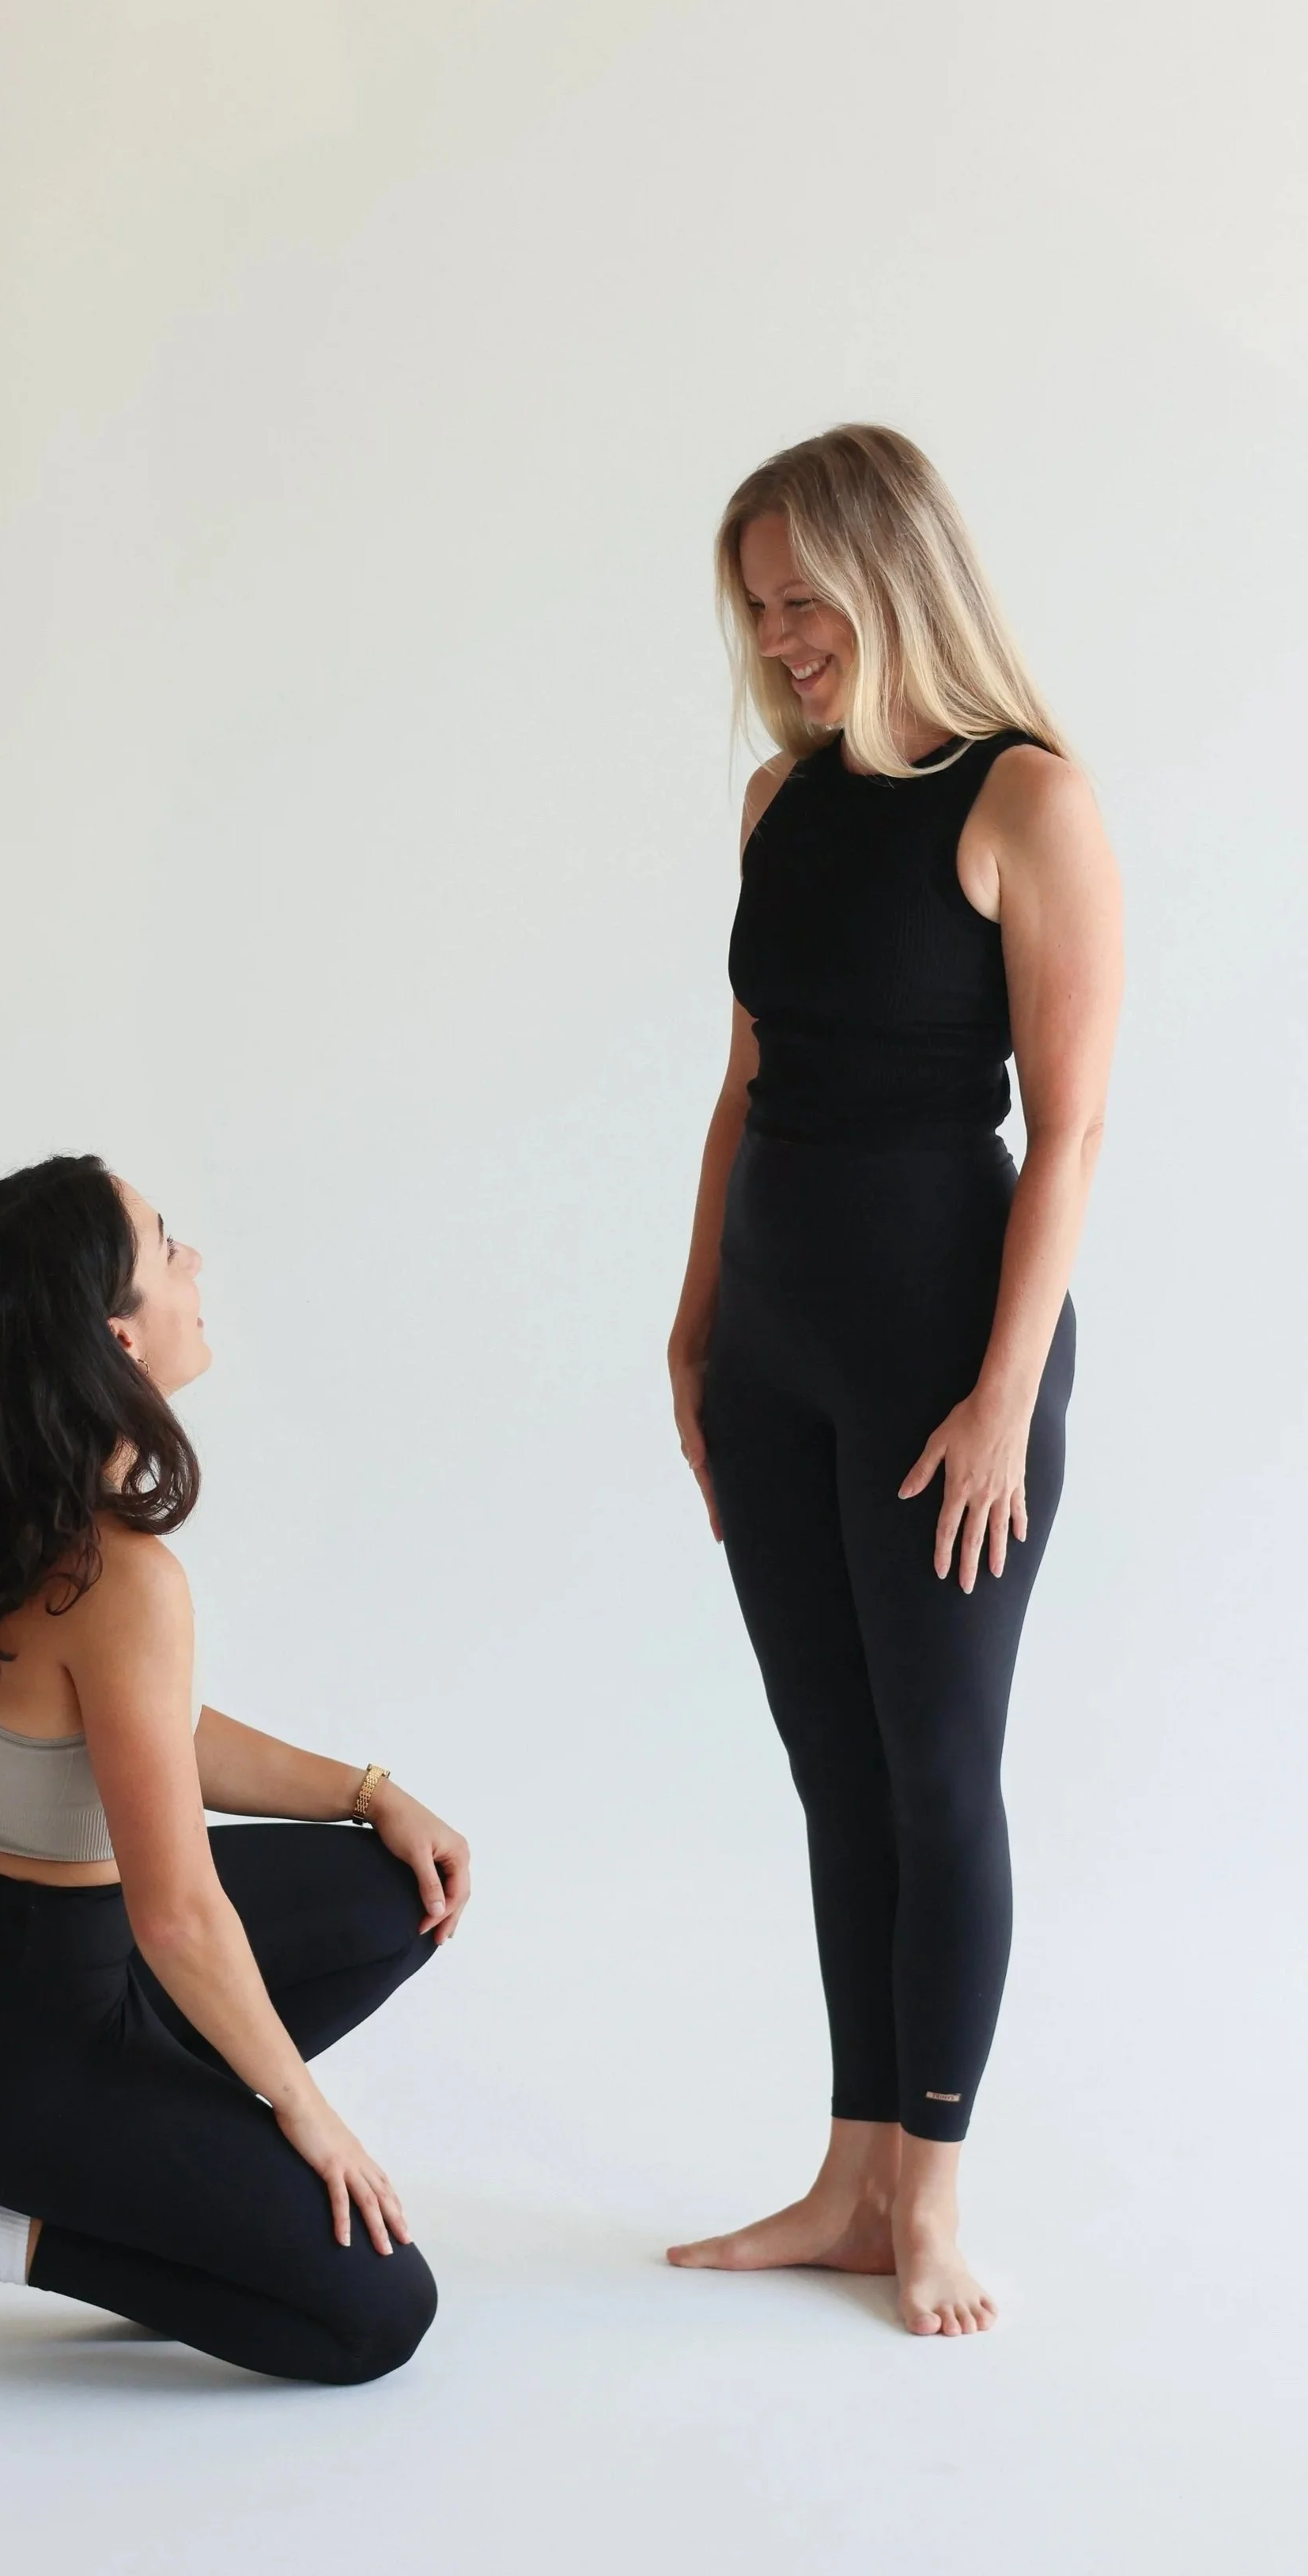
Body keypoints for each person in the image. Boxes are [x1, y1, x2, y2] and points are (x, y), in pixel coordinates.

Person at [664, 426, 1122, 2335]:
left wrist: (1004, 1393)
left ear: (891, 575)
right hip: (772, 1351)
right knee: (830, 1772)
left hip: (946, 1360)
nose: (776, 636)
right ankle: (848, 2173)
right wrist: (693, 1323)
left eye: (802, 598)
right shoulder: (776, 799)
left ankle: (925, 2196)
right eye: (753, 606)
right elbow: (746, 1074)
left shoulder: (1028, 801)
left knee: (936, 1776)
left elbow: (1074, 1128)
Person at [0, 1155, 469, 2393]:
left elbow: (140, 1733)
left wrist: (367, 1790)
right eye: (167, 1246)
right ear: (115, 1336)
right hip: (6, 2041)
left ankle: (152, 2167)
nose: (196, 1265)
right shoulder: (117, 1578)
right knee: (372, 2314)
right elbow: (175, 1914)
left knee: (387, 1894)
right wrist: (303, 2116)